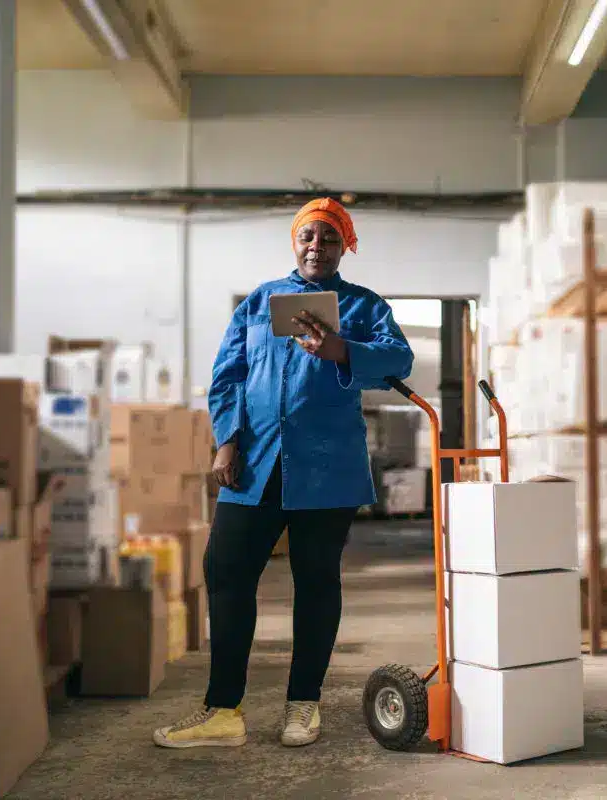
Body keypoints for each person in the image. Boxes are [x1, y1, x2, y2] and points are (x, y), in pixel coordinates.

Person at [154, 198, 414, 750]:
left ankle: (303, 706)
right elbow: (227, 376)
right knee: (225, 571)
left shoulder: (364, 306)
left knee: (316, 583)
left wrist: (339, 347)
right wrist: (226, 441)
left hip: (327, 466)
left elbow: (399, 359)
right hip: (256, 462)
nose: (316, 247)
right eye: (308, 237)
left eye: (329, 238)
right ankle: (223, 710)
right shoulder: (260, 302)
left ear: (345, 247)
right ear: (294, 243)